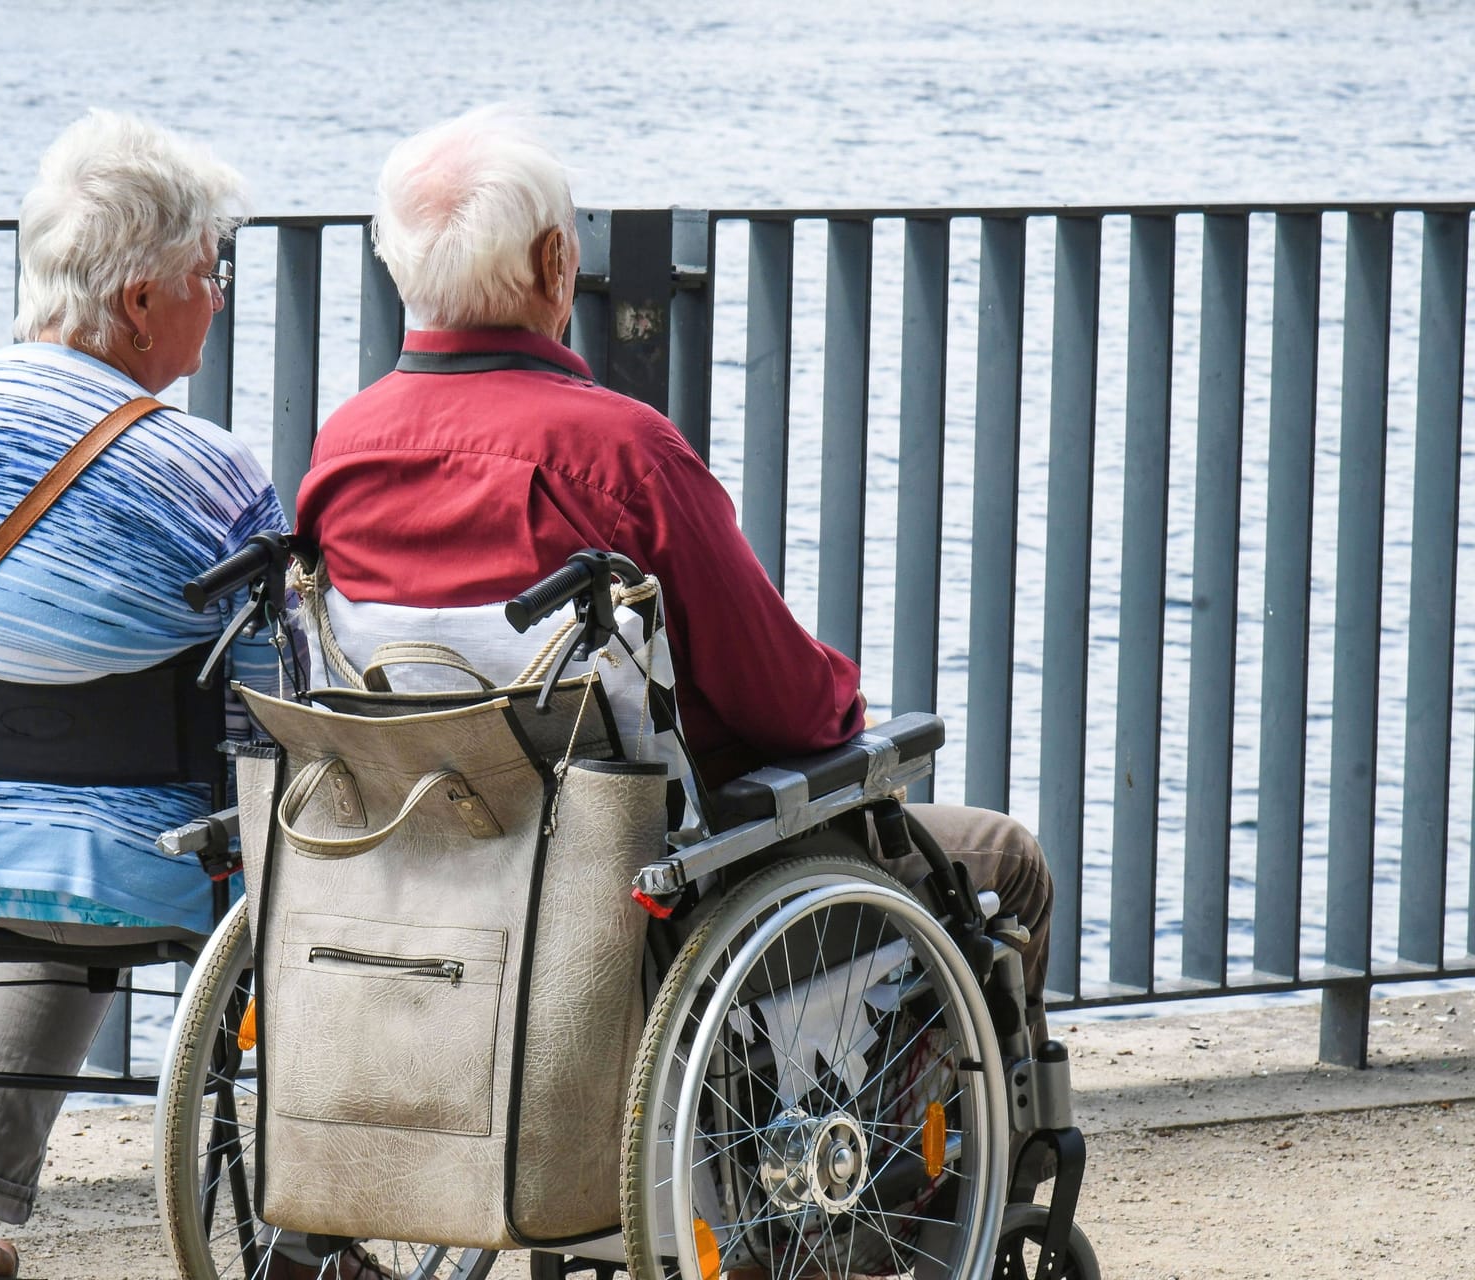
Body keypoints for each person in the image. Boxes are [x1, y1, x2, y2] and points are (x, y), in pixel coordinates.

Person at [295, 106, 1053, 1047]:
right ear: (553, 265)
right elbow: (791, 708)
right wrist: (843, 705)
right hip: (642, 894)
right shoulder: (617, 453)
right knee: (1004, 862)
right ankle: (940, 1186)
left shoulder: (345, 451)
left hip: (428, 869)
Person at [0, 110, 288, 1278]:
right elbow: (291, 706)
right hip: (143, 877)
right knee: (313, 842)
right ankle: (304, 1230)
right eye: (206, 272)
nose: (218, 297)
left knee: (60, 821)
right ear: (139, 302)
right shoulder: (211, 471)